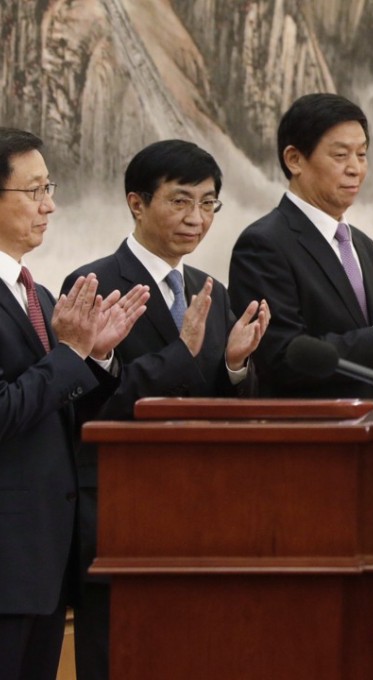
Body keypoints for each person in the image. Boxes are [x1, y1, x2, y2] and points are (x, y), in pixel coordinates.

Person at [65, 139, 270, 680]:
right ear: (137, 203)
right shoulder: (94, 284)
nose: (196, 218)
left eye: (207, 204)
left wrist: (233, 367)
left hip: (200, 517)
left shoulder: (212, 291)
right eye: (180, 201)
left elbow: (229, 414)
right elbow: (92, 408)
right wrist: (179, 353)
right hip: (121, 517)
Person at [0, 128, 146, 680]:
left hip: (46, 558)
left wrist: (97, 359)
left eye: (49, 188)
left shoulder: (36, 295)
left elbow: (59, 409)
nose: (49, 205)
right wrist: (71, 353)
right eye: (33, 191)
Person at [228, 93, 373, 398]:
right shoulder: (262, 245)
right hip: (309, 436)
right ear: (294, 159)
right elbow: (281, 359)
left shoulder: (363, 246)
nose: (355, 168)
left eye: (362, 155)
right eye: (341, 156)